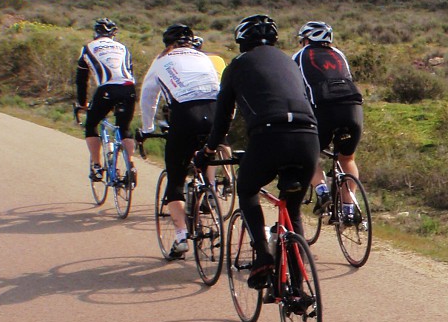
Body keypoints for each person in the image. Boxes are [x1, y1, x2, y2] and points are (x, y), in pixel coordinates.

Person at [201, 15, 319, 289]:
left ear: (242, 41)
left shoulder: (237, 66)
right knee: (294, 210)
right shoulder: (289, 62)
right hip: (309, 136)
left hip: (269, 135)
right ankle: (299, 289)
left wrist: (209, 149)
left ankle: (263, 256)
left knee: (247, 189)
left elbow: (223, 117)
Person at [138, 23, 220, 258]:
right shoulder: (204, 58)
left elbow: (148, 97)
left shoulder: (162, 60)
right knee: (204, 161)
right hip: (215, 116)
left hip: (185, 116)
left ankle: (181, 236)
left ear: (169, 45)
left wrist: (147, 128)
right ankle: (208, 196)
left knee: (175, 177)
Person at [293, 21, 364, 223]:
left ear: (306, 40)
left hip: (323, 110)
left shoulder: (300, 56)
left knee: (309, 155)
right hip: (353, 108)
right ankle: (349, 209)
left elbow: (296, 88)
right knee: (347, 158)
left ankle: (322, 191)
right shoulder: (339, 55)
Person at [74, 18, 136, 182]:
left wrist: (82, 103)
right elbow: (129, 71)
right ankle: (130, 165)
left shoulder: (88, 48)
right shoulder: (124, 48)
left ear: (96, 33)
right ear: (113, 35)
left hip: (107, 89)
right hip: (128, 88)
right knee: (125, 128)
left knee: (91, 124)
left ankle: (96, 166)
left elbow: (81, 80)